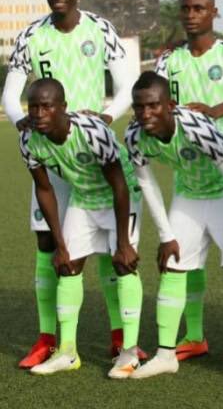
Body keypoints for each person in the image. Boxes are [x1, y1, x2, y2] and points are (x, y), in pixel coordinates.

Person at [1, 0, 139, 368]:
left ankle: (120, 337)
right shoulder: (31, 35)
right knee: (49, 244)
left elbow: (127, 83)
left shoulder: (100, 29)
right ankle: (49, 339)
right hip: (49, 151)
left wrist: (108, 116)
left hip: (90, 151)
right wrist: (21, 119)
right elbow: (12, 91)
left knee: (107, 248)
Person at [123, 72, 223, 383]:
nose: (145, 114)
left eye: (153, 106)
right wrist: (166, 235)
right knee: (172, 267)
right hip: (190, 197)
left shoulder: (195, 127)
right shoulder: (134, 135)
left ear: (170, 105)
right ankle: (165, 356)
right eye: (139, 107)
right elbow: (147, 184)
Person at [154, 0, 223, 361]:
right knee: (179, 263)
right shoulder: (169, 61)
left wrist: (214, 111)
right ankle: (192, 337)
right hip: (189, 184)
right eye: (186, 9)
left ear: (214, 12)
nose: (192, 15)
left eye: (199, 8)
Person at [20, 78, 143, 379]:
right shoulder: (28, 139)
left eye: (46, 106)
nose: (39, 114)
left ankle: (129, 353)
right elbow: (44, 190)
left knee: (124, 265)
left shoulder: (92, 132)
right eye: (33, 107)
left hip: (120, 194)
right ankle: (67, 352)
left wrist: (124, 243)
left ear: (63, 107)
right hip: (84, 197)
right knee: (67, 267)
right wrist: (61, 246)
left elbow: (119, 185)